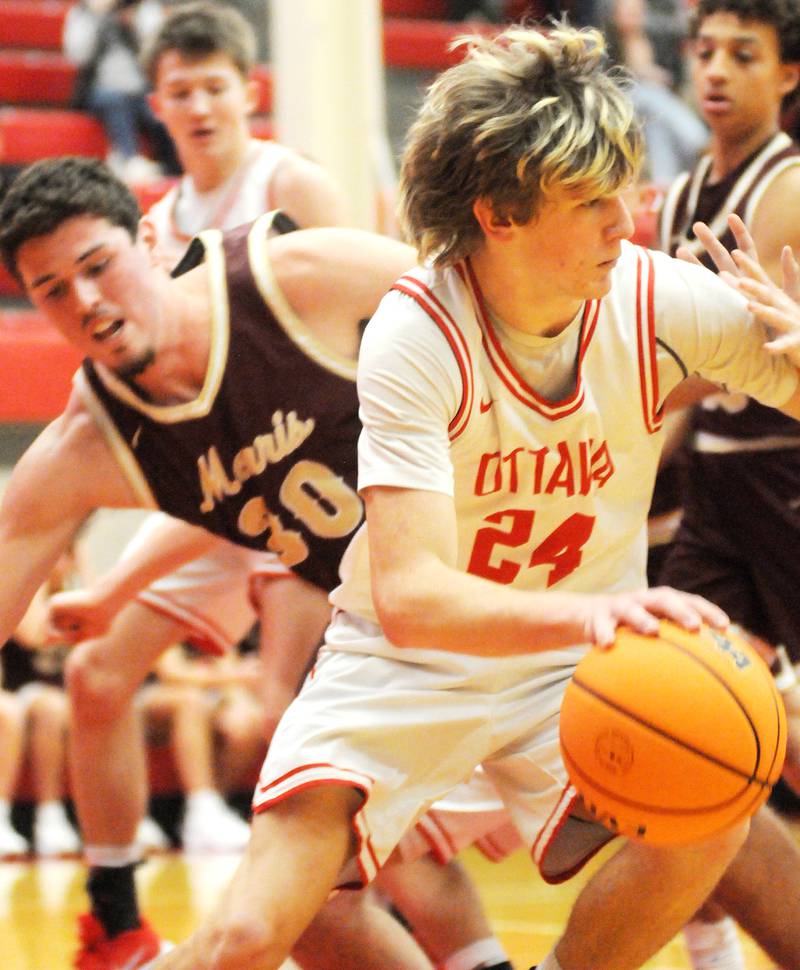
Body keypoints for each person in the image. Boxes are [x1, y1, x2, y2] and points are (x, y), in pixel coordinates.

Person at [136, 24, 800, 970]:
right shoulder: (418, 329)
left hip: (563, 668)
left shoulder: (650, 296)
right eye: (591, 198)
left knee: (717, 791)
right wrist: (601, 610)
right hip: (409, 660)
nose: (625, 220)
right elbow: (411, 596)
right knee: (245, 936)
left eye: (625, 190)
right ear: (502, 215)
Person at [1, 541, 87, 858]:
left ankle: (127, 816)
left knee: (104, 704)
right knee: (50, 707)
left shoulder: (72, 597)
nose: (60, 562)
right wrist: (39, 575)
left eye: (65, 555)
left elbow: (105, 634)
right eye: (56, 554)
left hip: (63, 694)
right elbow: (34, 636)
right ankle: (46, 815)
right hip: (23, 692)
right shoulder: (21, 593)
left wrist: (83, 570)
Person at [137, 640, 261, 853]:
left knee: (247, 720)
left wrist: (237, 700)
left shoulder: (222, 616)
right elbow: (172, 674)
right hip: (147, 696)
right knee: (191, 702)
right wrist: (234, 677)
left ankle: (213, 810)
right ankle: (201, 805)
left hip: (209, 694)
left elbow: (228, 665)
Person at [63, 0, 179, 183]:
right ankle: (129, 159)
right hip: (100, 89)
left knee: (161, 116)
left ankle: (174, 169)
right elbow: (78, 55)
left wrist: (132, 24)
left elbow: (157, 51)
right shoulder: (83, 12)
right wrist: (98, 17)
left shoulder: (144, 8)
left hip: (141, 90)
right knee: (115, 102)